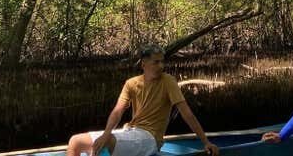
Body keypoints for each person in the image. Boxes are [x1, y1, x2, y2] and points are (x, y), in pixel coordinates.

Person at [66, 45, 219, 156]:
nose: (161, 66)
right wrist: (106, 133)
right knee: (75, 141)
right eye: (156, 62)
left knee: (108, 141)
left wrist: (206, 142)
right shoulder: (131, 83)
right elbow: (117, 111)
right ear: (143, 64)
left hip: (150, 138)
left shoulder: (168, 81)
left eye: (162, 61)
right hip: (131, 131)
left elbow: (187, 114)